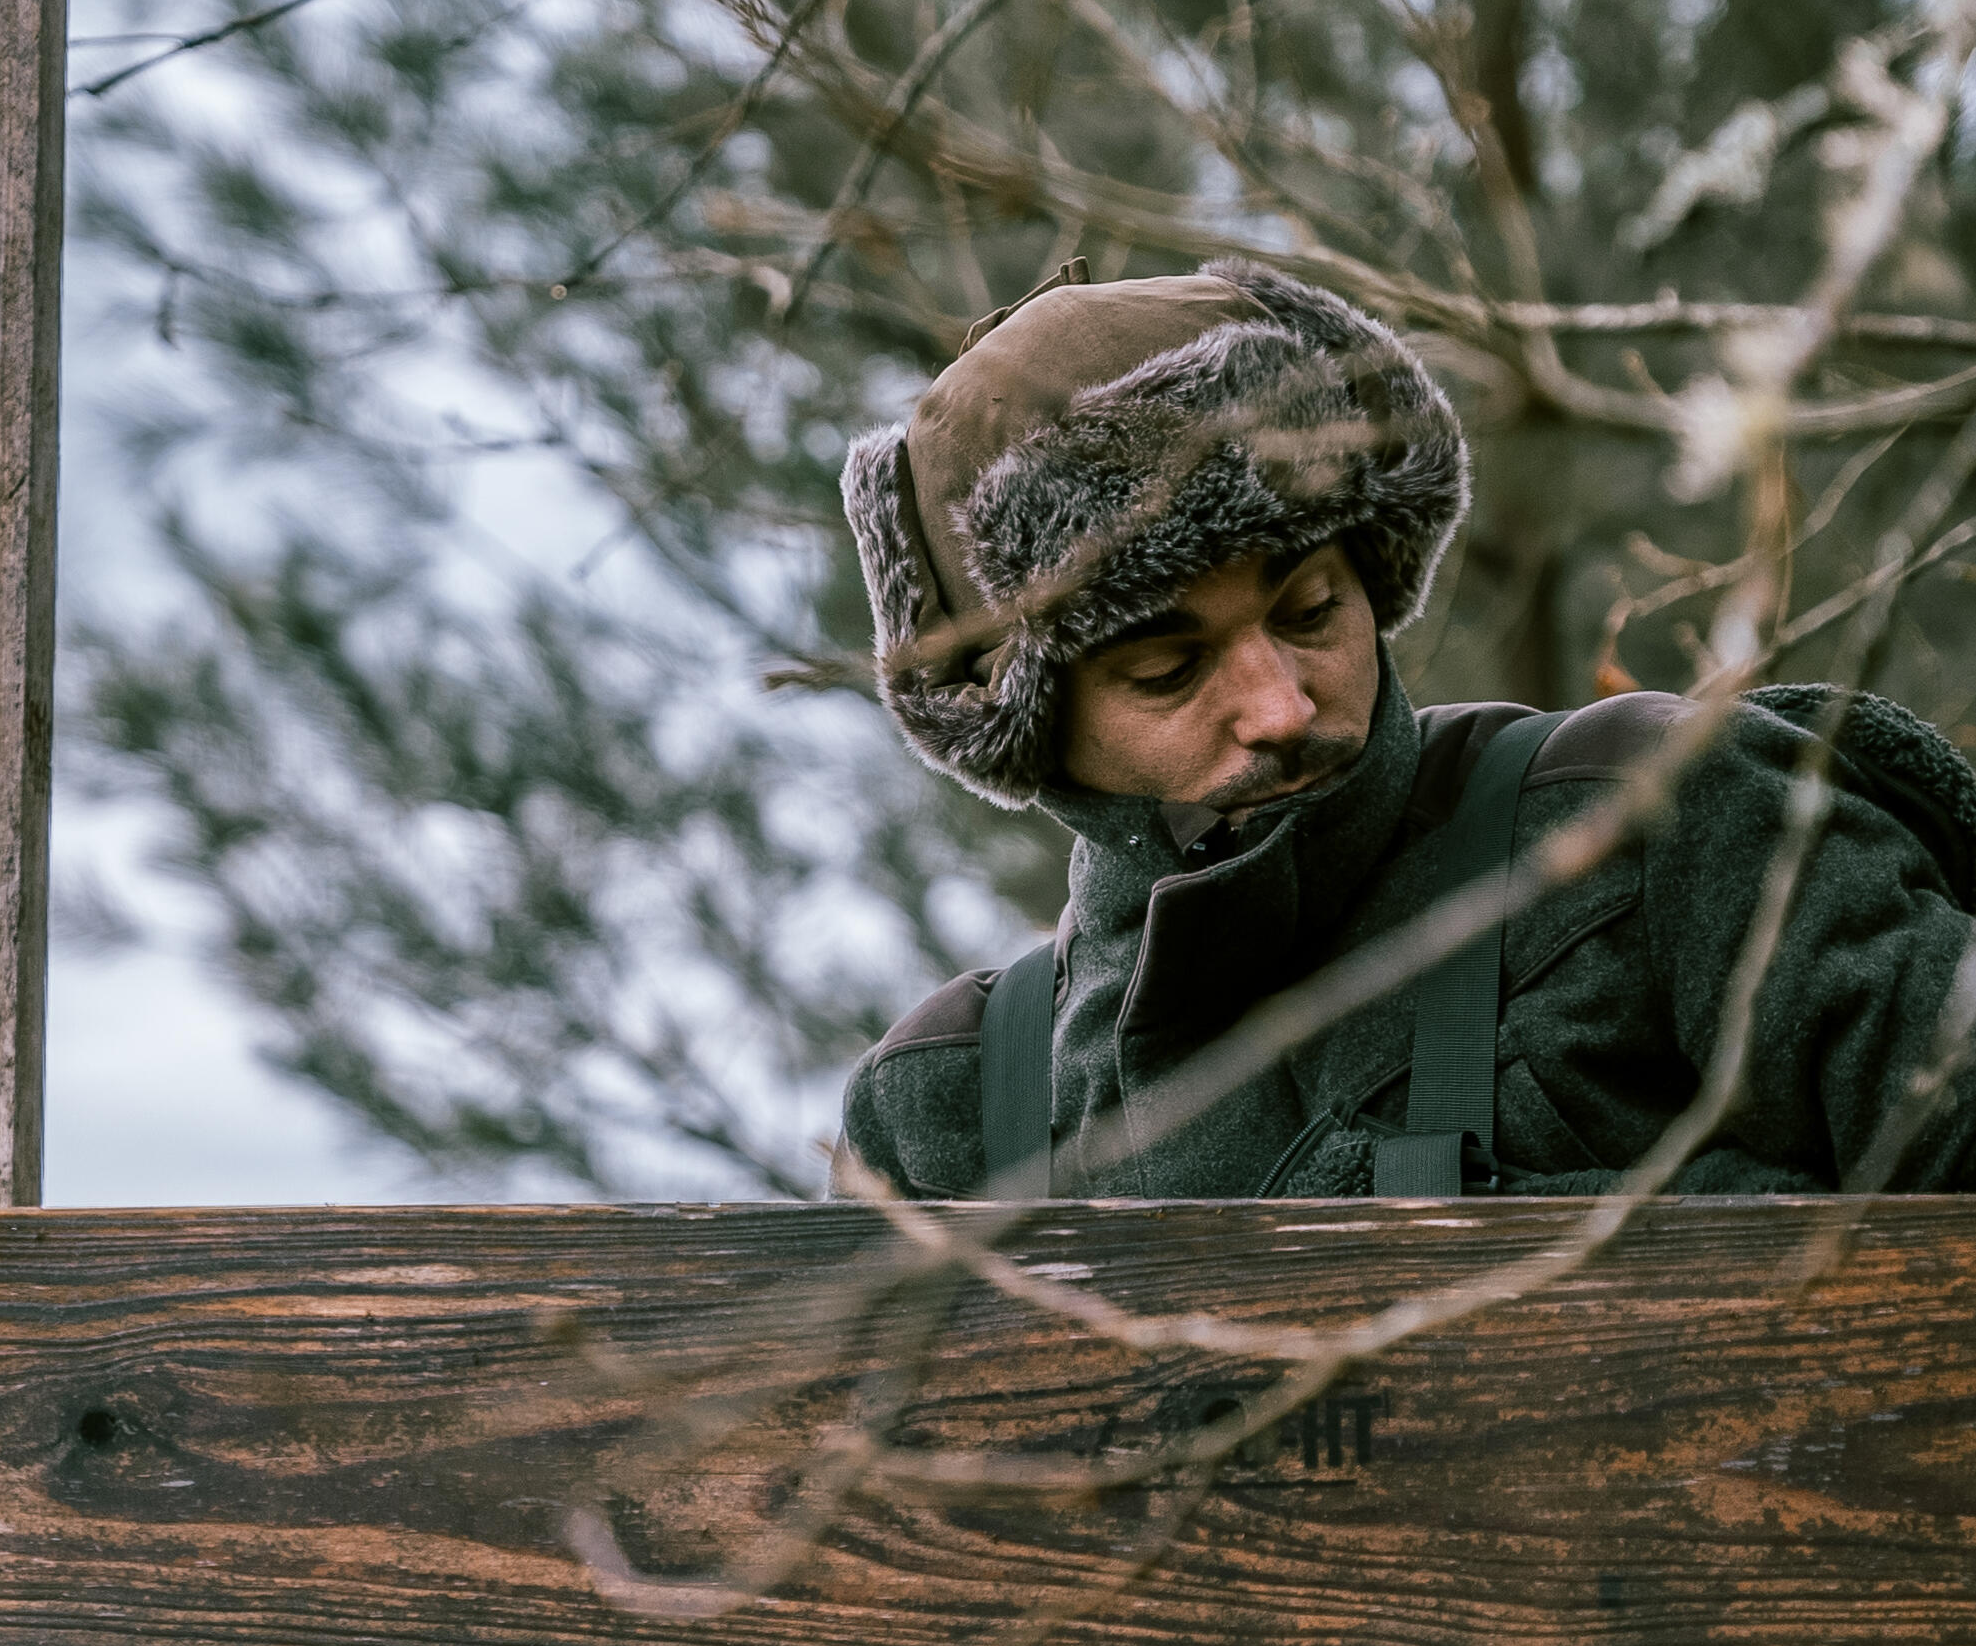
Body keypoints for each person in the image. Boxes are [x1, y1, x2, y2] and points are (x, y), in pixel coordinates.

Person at [833, 258, 1976, 1200]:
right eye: (1167, 669)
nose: (1280, 706)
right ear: (1028, 731)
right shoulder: (944, 1118)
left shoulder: (1663, 817)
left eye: (1309, 610)